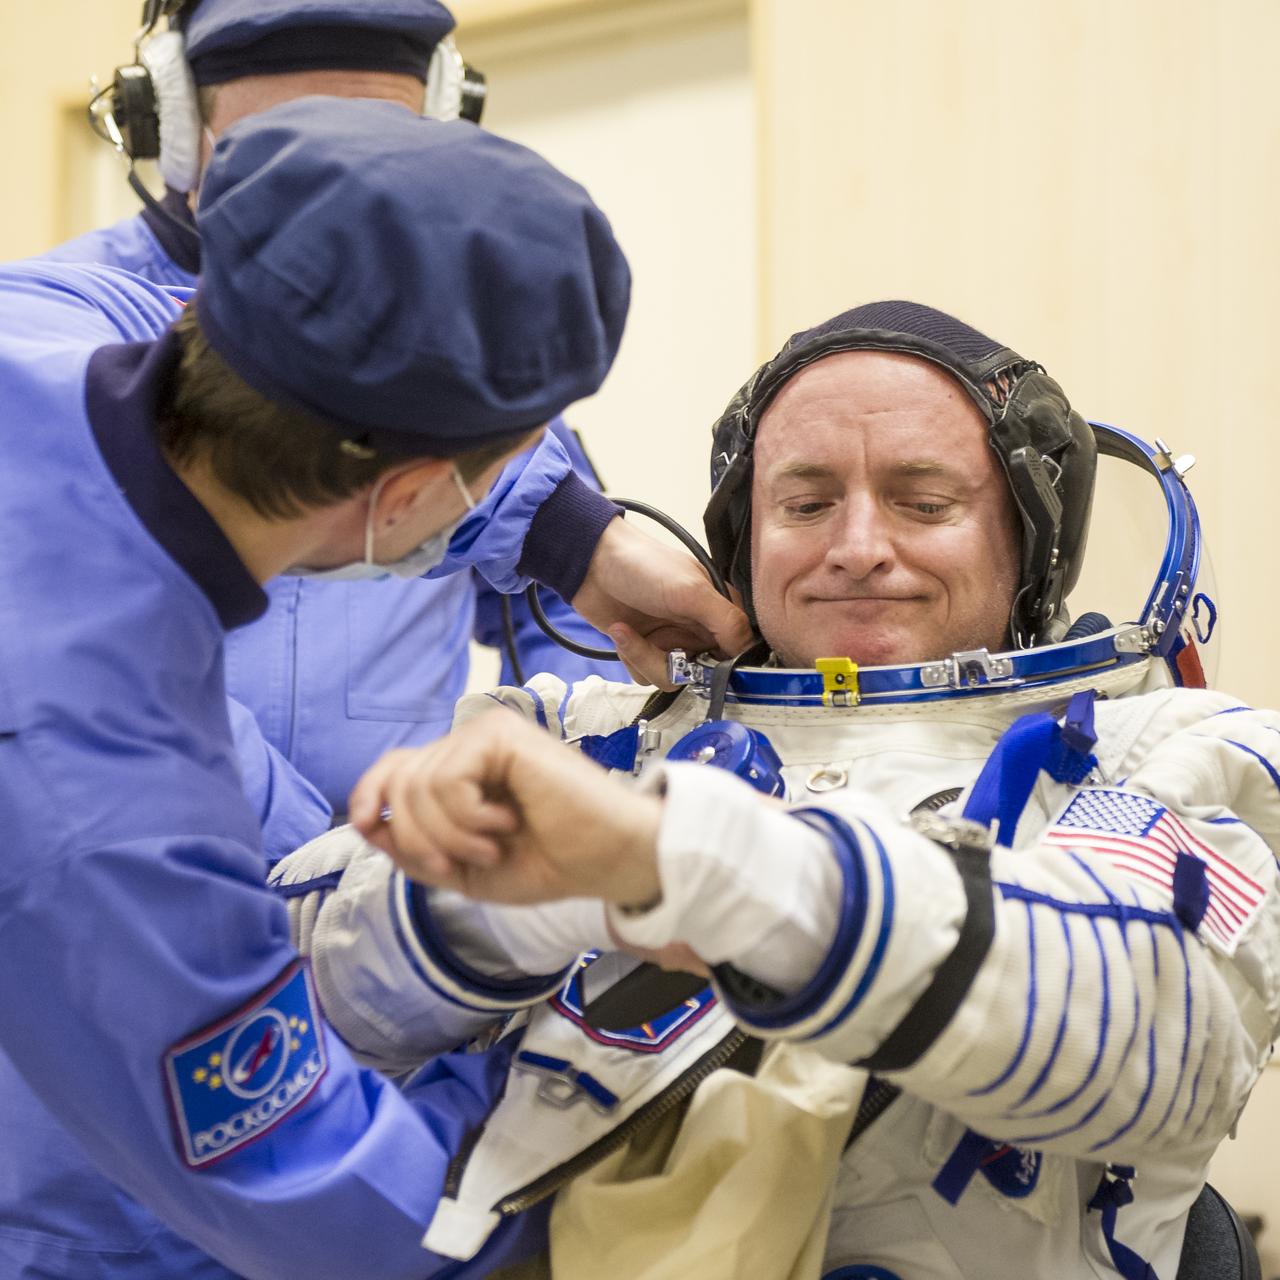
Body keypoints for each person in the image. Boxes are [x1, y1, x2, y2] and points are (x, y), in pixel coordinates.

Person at [281, 301, 1280, 1278]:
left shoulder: (1164, 752)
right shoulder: (573, 734)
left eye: (922, 503)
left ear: (1027, 546)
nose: (854, 546)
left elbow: (1160, 1034)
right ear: (738, 542)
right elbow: (257, 982)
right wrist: (501, 909)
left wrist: (737, 875)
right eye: (802, 505)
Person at [0, 96, 750, 1279]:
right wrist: (575, 1097)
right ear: (401, 500)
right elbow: (331, 1198)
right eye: (505, 466)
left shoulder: (28, 385)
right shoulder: (107, 790)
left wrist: (569, 535)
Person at [43, 0, 621, 816]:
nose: (339, 197)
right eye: (286, 149)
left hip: (398, 883)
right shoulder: (58, 323)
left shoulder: (465, 351)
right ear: (172, 126)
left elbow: (568, 624)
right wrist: (323, 861)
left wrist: (576, 793)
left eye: (381, 152)